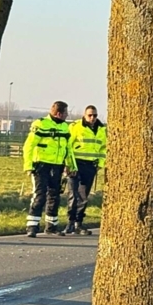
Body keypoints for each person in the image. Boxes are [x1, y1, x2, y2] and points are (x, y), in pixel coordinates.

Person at [23, 101, 76, 237]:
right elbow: (28, 146)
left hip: (57, 166)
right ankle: (32, 226)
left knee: (54, 195)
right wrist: (28, 166)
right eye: (65, 113)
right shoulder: (40, 124)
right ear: (59, 113)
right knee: (40, 195)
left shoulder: (65, 127)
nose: (67, 115)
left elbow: (68, 149)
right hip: (41, 165)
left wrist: (71, 166)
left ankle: (51, 226)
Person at [66, 105, 107, 235]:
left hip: (90, 166)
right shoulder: (75, 127)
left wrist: (99, 164)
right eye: (90, 115)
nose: (92, 118)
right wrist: (68, 165)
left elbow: (104, 149)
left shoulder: (102, 130)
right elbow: (68, 147)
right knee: (73, 194)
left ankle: (79, 223)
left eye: (95, 115)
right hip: (76, 164)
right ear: (84, 115)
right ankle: (70, 223)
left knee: (83, 196)